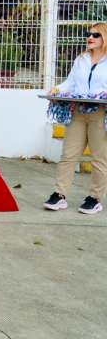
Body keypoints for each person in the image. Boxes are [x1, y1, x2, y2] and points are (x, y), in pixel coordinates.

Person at [44, 23, 107, 215]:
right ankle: (59, 195)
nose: (90, 37)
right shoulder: (81, 59)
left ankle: (94, 198)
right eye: (88, 34)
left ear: (105, 37)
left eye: (95, 35)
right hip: (78, 112)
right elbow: (70, 83)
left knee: (99, 159)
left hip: (100, 113)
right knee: (68, 155)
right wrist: (57, 89)